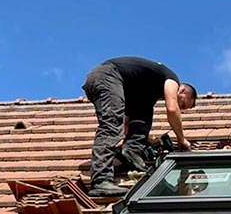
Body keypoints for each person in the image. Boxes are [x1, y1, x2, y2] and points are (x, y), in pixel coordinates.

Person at [82, 56, 197, 196]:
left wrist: (144, 139)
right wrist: (181, 139)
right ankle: (101, 181)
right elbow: (172, 109)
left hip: (104, 79)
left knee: (144, 113)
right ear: (182, 90)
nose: (180, 107)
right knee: (111, 126)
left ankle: (131, 153)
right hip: (108, 76)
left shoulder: (143, 93)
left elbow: (126, 124)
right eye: (183, 104)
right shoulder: (172, 79)